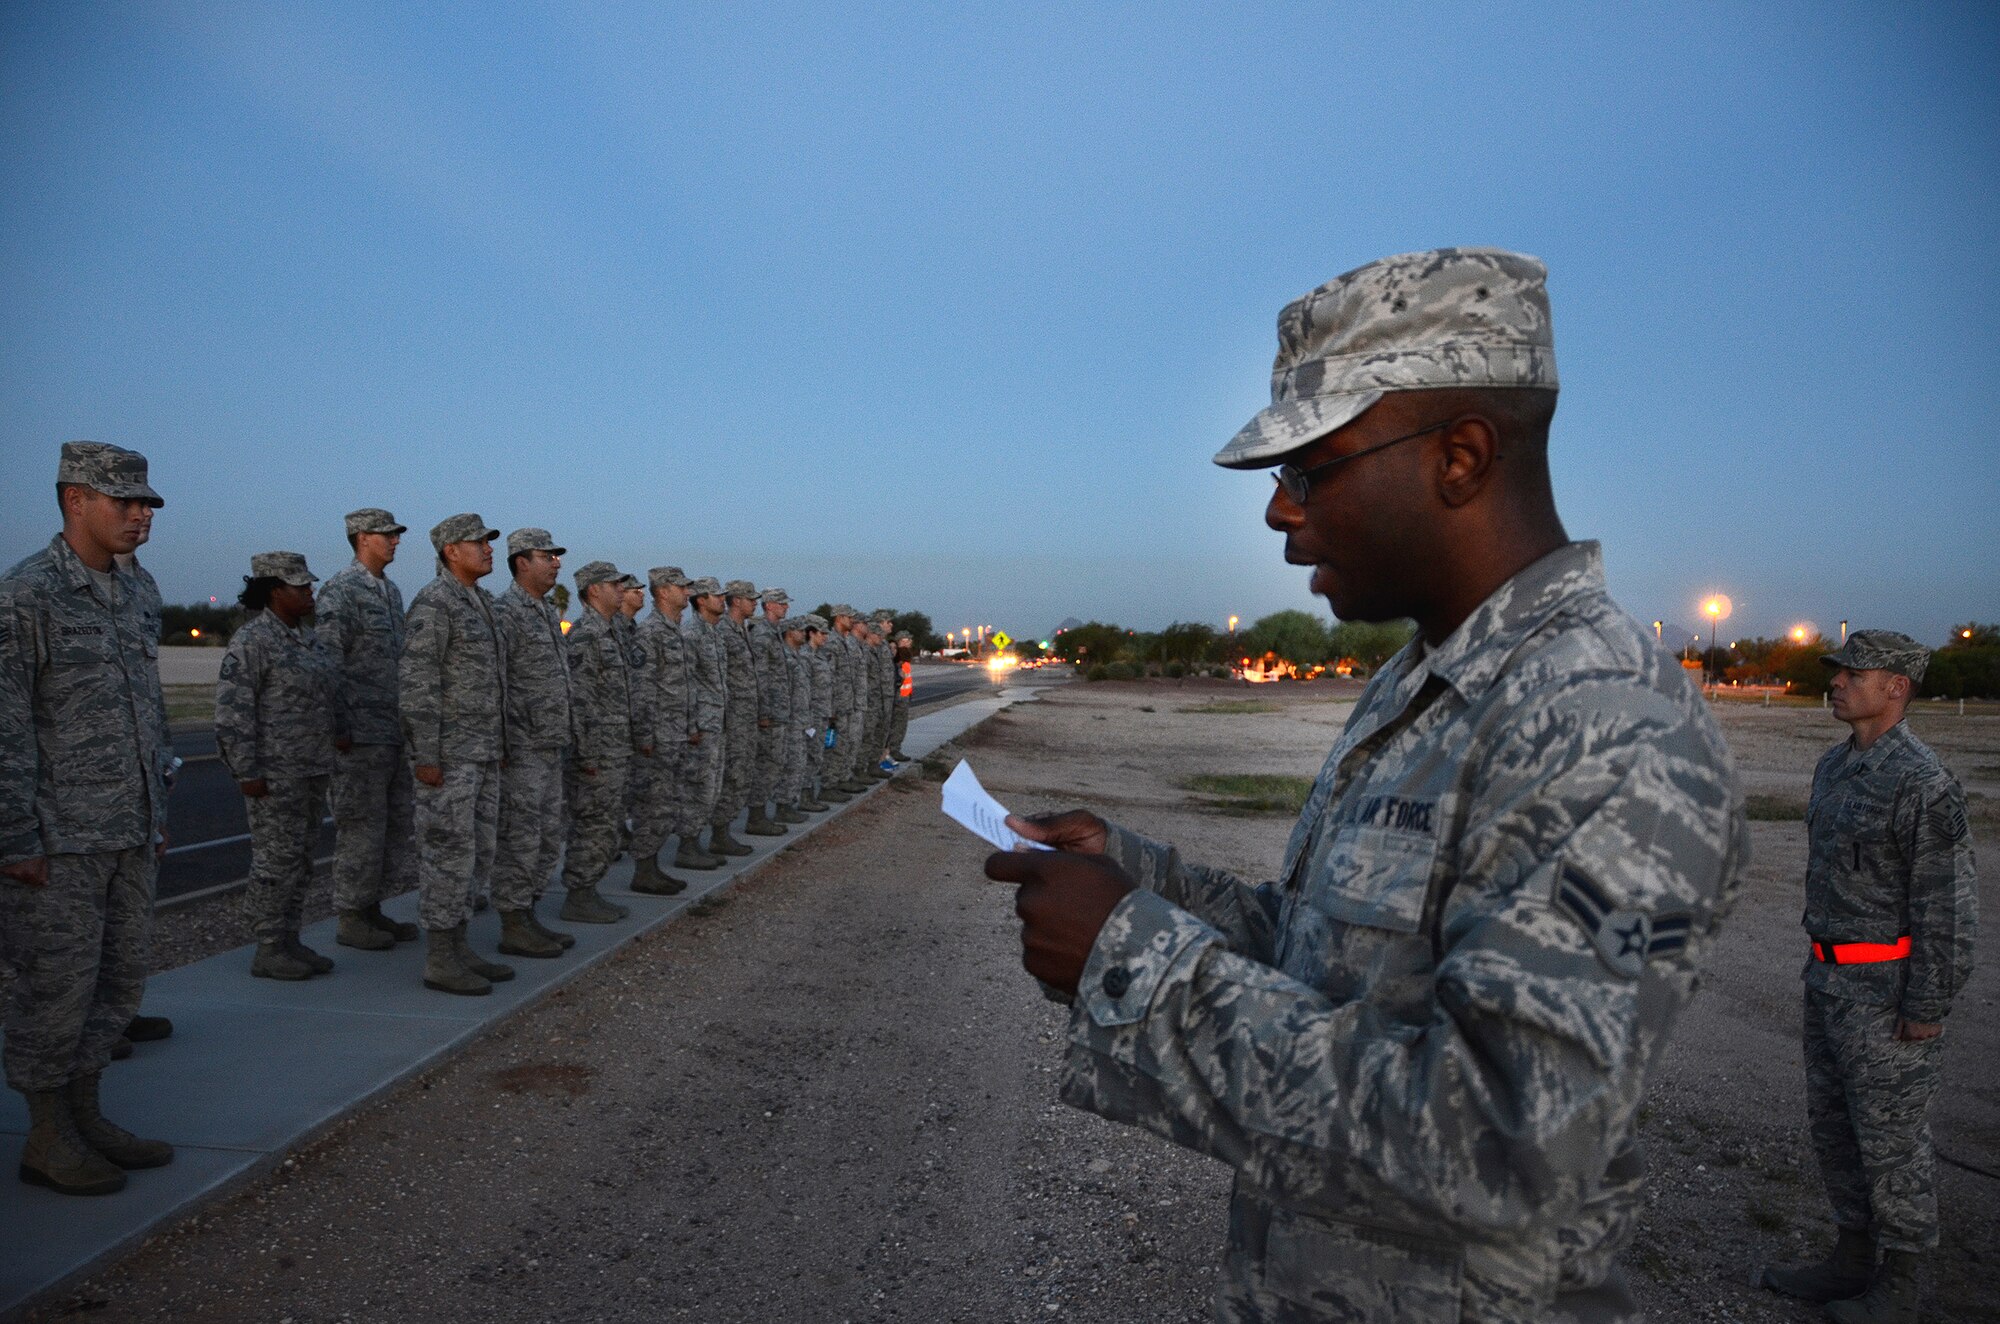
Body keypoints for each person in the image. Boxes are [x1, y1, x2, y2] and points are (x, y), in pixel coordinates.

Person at [983, 248, 1748, 1321]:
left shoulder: (1599, 717)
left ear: (1460, 457)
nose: (1277, 514)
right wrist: (1136, 878)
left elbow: (1504, 1145)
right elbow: (1327, 956)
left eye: (1309, 469)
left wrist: (1130, 959)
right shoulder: (1425, 680)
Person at [1760, 631, 1977, 1322]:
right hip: (1827, 980)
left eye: (1855, 674)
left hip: (1887, 993)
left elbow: (1946, 903)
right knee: (1836, 1131)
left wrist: (1928, 1001)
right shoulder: (1833, 767)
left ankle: (1903, 1281)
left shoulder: (1924, 781)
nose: (1838, 683)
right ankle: (1851, 1257)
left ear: (1896, 688)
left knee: (1893, 1142)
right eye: (1838, 673)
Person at [1, 441, 175, 1194]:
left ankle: (86, 1113)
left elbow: (152, 710)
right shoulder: (28, 595)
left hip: (129, 827)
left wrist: (155, 811)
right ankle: (47, 1135)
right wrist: (14, 836)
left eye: (147, 504)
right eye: (124, 501)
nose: (140, 515)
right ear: (75, 499)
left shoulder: (138, 592)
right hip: (60, 837)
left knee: (117, 983)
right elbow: (6, 722)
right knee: (52, 990)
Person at [215, 552, 346, 980]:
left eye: (310, 586)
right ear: (274, 591)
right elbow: (234, 713)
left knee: (302, 858)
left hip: (310, 768)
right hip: (275, 774)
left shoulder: (309, 639)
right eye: (300, 587)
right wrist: (245, 771)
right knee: (274, 861)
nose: (310, 593)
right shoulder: (253, 641)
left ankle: (290, 938)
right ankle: (268, 946)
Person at [401, 514, 515, 994]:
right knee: (447, 854)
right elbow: (417, 682)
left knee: (478, 854)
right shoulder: (435, 602)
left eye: (489, 542)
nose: (490, 550)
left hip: (483, 751)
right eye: (479, 543)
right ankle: (441, 958)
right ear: (451, 550)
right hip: (449, 757)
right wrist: (425, 754)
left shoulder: (481, 603)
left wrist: (501, 744)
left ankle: (462, 946)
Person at [317, 508, 419, 951]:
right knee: (360, 828)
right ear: (362, 538)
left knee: (392, 827)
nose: (396, 541)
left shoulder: (391, 592)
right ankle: (352, 915)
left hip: (391, 731)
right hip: (359, 736)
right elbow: (327, 664)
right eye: (388, 535)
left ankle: (373, 908)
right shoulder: (341, 591)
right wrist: (339, 725)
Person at [489, 529, 577, 959]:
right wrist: (505, 741)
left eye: (557, 557)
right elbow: (499, 681)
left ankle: (529, 914)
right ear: (522, 561)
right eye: (548, 556)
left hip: (549, 743)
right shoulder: (506, 612)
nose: (557, 563)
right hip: (522, 746)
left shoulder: (545, 611)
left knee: (546, 835)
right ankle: (513, 922)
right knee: (520, 838)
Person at [558, 561, 643, 923]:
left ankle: (590, 889)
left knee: (607, 824)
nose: (621, 590)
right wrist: (587, 752)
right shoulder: (586, 634)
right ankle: (578, 895)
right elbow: (580, 698)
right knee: (592, 823)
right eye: (614, 584)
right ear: (594, 590)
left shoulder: (611, 631)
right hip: (597, 751)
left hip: (615, 746)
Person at [628, 566, 697, 894]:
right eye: (681, 587)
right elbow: (642, 688)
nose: (687, 592)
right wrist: (644, 735)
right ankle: (643, 869)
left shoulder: (676, 631)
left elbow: (684, 686)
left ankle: (652, 865)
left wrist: (691, 725)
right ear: (663, 591)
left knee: (668, 803)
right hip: (658, 735)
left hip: (677, 732)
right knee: (651, 804)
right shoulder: (650, 632)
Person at [678, 577, 730, 864]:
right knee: (697, 785)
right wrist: (692, 724)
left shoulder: (714, 633)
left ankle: (696, 841)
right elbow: (686, 682)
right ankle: (687, 845)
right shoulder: (691, 634)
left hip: (716, 722)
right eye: (716, 595)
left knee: (712, 786)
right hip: (701, 724)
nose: (722, 599)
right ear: (701, 600)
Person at [711, 580, 763, 851]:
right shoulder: (723, 632)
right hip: (730, 718)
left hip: (745, 717)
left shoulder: (743, 631)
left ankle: (725, 831)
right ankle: (719, 834)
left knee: (741, 774)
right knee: (730, 776)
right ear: (736, 601)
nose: (755, 602)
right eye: (749, 598)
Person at [748, 588, 801, 829]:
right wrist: (764, 711)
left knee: (775, 763)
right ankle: (756, 816)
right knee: (767, 765)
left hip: (780, 711)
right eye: (781, 603)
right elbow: (760, 675)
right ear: (768, 605)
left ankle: (761, 815)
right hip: (769, 713)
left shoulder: (773, 633)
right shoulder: (761, 634)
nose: (785, 607)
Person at [778, 616, 817, 816]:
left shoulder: (798, 656)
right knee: (791, 765)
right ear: (789, 632)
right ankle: (783, 806)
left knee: (799, 763)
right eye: (800, 630)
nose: (803, 633)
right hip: (790, 720)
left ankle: (789, 804)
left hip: (802, 720)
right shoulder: (784, 656)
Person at [803, 616, 842, 806]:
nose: (825, 637)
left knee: (817, 755)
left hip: (822, 712)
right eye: (822, 633)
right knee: (808, 757)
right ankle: (804, 797)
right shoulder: (805, 656)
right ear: (811, 633)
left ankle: (809, 796)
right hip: (810, 714)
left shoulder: (820, 655)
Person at [886, 629, 915, 763]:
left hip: (904, 694)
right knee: (897, 725)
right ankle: (893, 749)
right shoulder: (901, 656)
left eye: (909, 640)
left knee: (900, 724)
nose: (909, 643)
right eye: (905, 640)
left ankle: (894, 748)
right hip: (899, 696)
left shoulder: (906, 656)